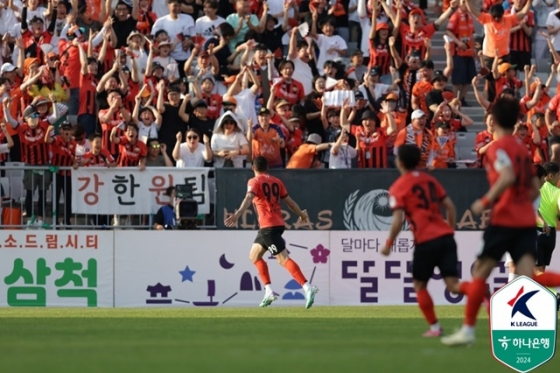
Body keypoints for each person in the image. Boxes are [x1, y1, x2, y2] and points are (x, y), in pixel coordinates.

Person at [442, 97, 560, 347]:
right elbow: (533, 190)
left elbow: (506, 177)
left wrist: (485, 201)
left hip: (504, 220)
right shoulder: (522, 149)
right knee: (528, 276)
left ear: (493, 121)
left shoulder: (497, 147)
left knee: (479, 274)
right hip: (526, 223)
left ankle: (468, 330)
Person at [381, 144, 468, 337]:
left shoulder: (398, 187)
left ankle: (435, 328)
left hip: (426, 241)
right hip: (446, 238)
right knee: (453, 285)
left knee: (419, 285)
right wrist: (449, 229)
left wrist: (388, 245)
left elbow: (398, 220)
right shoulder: (430, 179)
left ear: (400, 162)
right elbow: (451, 207)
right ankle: (481, 294)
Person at [224, 155, 319, 308]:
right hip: (273, 225)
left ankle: (308, 287)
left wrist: (237, 214)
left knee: (282, 259)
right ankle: (268, 291)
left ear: (253, 168)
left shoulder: (254, 181)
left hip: (269, 227)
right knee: (254, 256)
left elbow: (249, 197)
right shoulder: (277, 181)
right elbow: (290, 202)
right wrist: (301, 214)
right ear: (267, 167)